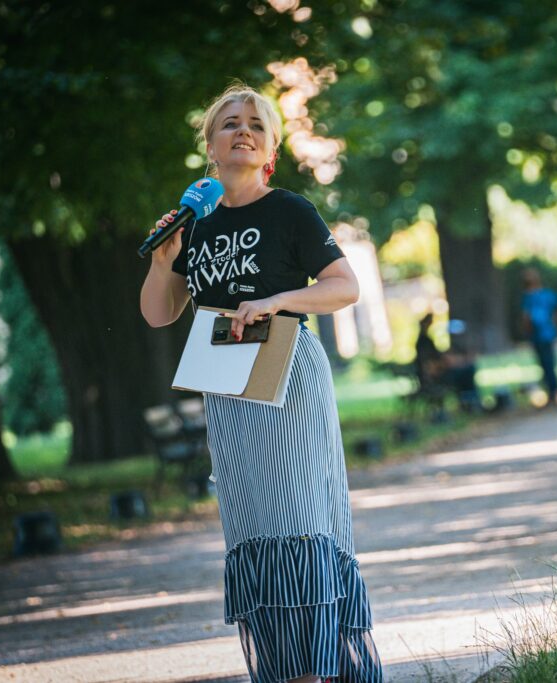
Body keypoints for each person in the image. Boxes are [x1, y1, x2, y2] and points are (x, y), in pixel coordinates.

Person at [139, 84, 382, 683]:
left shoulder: (290, 210)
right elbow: (158, 313)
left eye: (255, 124)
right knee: (253, 527)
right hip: (224, 381)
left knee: (298, 517)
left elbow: (344, 287)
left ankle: (319, 666)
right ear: (210, 147)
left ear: (271, 148)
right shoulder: (194, 224)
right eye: (229, 123)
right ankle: (285, 669)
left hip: (287, 371)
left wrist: (277, 300)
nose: (242, 130)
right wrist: (163, 260)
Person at [520, 268, 557, 405]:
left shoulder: (528, 297)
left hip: (538, 335)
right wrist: (554, 318)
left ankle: (553, 392)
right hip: (549, 333)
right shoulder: (548, 294)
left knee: (544, 363)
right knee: (550, 362)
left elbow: (526, 317)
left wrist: (526, 331)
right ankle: (554, 390)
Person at [413, 313, 479, 410]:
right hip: (436, 377)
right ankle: (470, 403)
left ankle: (470, 402)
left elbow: (439, 357)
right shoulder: (424, 342)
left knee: (466, 371)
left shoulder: (425, 341)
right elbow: (432, 363)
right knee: (467, 372)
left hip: (438, 374)